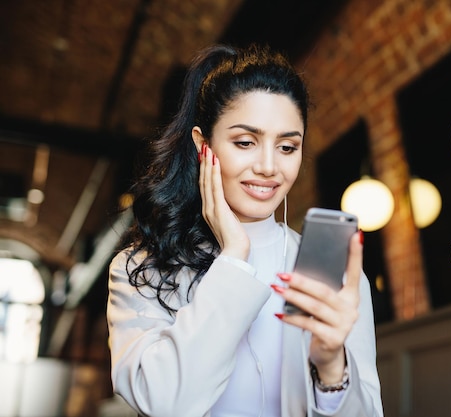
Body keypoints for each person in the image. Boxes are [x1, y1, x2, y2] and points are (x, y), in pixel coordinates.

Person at [106, 43, 383, 417]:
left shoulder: (332, 274)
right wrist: (235, 255)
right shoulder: (141, 267)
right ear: (204, 145)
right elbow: (165, 403)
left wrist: (331, 367)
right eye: (245, 142)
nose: (269, 167)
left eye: (287, 147)